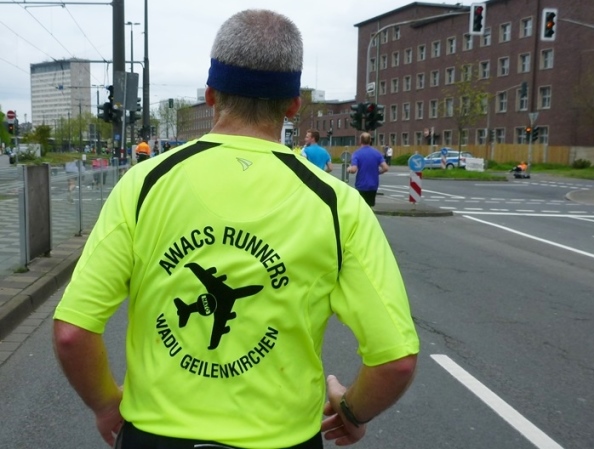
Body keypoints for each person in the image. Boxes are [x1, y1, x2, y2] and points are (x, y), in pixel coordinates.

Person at [53, 9, 418, 449]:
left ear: (211, 94)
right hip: (283, 441)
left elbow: (72, 332)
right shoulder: (338, 204)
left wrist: (106, 405)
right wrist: (352, 411)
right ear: (293, 105)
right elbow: (396, 361)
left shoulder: (144, 184)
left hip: (155, 437)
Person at [347, 132, 389, 207]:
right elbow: (385, 168)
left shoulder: (357, 154)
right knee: (370, 207)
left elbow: (354, 170)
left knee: (360, 207)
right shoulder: (377, 153)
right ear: (370, 141)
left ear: (360, 141)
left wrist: (349, 169)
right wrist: (378, 172)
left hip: (361, 185)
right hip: (373, 185)